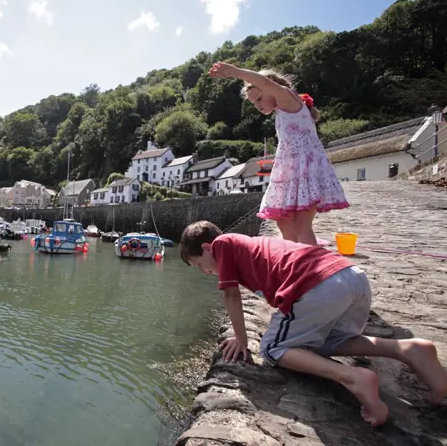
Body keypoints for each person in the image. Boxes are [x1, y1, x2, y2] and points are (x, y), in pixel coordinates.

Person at [179, 220, 447, 426]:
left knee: (272, 349)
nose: (205, 271)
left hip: (319, 286)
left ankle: (353, 377)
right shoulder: (248, 246)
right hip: (350, 277)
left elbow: (230, 295)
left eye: (199, 264)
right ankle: (406, 350)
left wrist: (241, 339)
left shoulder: (222, 244)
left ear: (206, 248)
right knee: (320, 343)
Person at [208, 62, 349, 246]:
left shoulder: (288, 99)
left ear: (272, 88)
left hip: (305, 170)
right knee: (284, 222)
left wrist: (236, 72)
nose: (257, 106)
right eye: (253, 103)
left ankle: (310, 267)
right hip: (292, 171)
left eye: (258, 99)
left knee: (301, 225)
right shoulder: (281, 110)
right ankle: (292, 260)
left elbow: (264, 82)